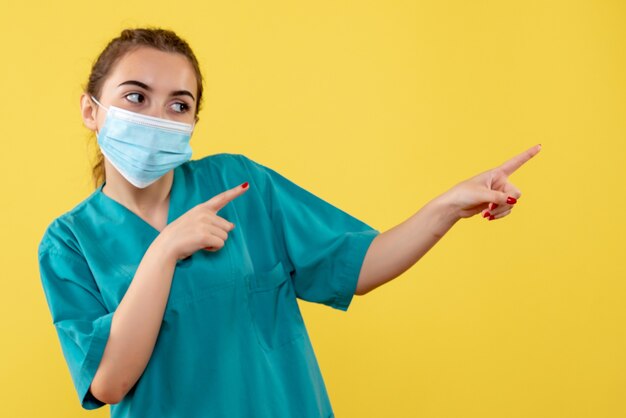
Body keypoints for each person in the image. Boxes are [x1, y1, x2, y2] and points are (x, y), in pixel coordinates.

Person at [37, 27, 542, 418]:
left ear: (193, 122)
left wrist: (448, 206)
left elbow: (358, 265)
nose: (157, 117)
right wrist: (165, 250)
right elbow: (108, 382)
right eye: (135, 97)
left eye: (179, 105)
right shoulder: (69, 243)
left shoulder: (238, 184)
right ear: (91, 109)